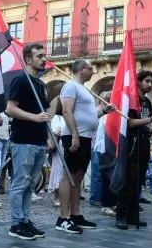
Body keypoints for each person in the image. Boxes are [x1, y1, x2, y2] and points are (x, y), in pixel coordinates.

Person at [57, 59, 114, 233]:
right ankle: (63, 218)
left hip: (85, 136)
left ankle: (75, 214)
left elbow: (89, 114)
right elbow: (67, 111)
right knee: (69, 175)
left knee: (79, 176)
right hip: (75, 136)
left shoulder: (84, 90)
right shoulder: (70, 87)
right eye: (91, 68)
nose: (93, 71)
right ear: (81, 69)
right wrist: (74, 135)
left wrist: (104, 110)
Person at [5, 42, 51, 240]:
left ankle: (25, 219)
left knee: (31, 184)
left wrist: (48, 137)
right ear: (28, 59)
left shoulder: (40, 84)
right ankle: (16, 224)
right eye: (39, 56)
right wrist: (35, 118)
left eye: (44, 55)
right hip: (23, 140)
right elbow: (10, 109)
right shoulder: (21, 80)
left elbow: (46, 112)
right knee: (20, 182)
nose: (43, 59)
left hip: (39, 141)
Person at [114, 70, 152, 230]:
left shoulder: (147, 102)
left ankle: (133, 216)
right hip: (131, 145)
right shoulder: (132, 100)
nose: (149, 85)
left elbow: (145, 124)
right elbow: (128, 122)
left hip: (143, 144)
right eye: (147, 81)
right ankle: (121, 215)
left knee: (138, 182)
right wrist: (150, 119)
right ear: (139, 81)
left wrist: (151, 128)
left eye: (151, 82)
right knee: (128, 181)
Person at [94, 91, 116, 216]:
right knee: (105, 177)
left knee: (110, 177)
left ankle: (111, 203)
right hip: (103, 149)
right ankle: (105, 204)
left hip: (109, 149)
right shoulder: (105, 114)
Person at [48, 100, 66, 207]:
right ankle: (57, 196)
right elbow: (55, 131)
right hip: (59, 147)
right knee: (58, 171)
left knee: (65, 173)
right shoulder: (57, 118)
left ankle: (65, 196)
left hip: (67, 147)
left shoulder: (70, 117)